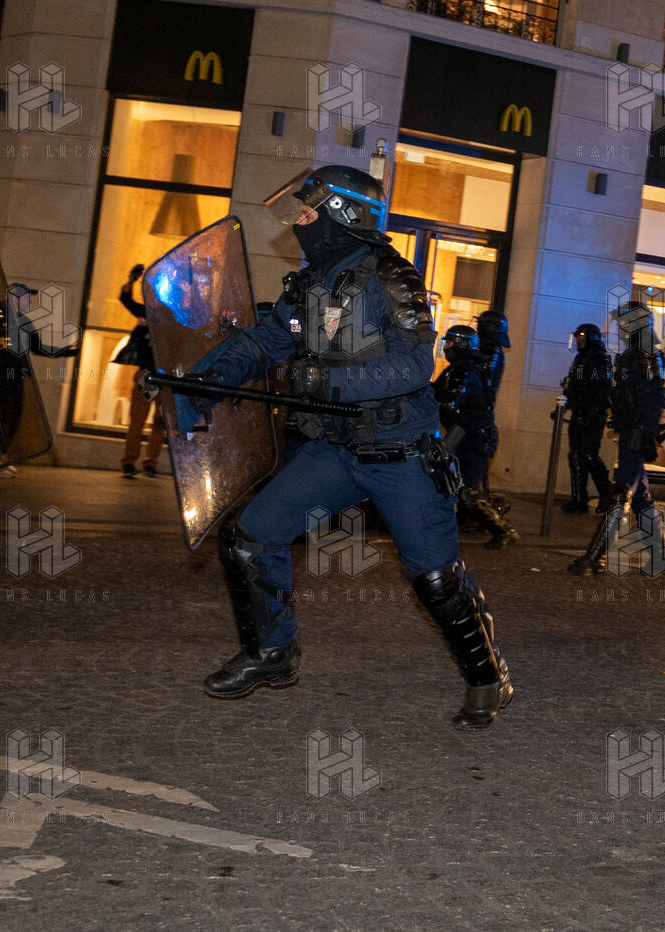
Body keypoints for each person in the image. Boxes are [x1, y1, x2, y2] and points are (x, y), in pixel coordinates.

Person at [175, 165, 511, 729]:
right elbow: (268, 342)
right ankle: (272, 653)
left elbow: (415, 365)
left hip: (401, 455)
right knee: (252, 536)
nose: (300, 222)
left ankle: (488, 677)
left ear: (342, 215)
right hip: (336, 450)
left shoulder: (390, 277)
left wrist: (328, 382)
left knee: (437, 580)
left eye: (308, 211)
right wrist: (210, 378)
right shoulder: (310, 282)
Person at [568, 302, 665, 574]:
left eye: (623, 323)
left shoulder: (647, 356)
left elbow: (654, 397)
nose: (620, 329)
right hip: (629, 428)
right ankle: (661, 553)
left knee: (621, 494)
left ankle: (594, 557)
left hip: (636, 431)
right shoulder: (633, 355)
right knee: (640, 496)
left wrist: (648, 433)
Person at [434, 324, 517, 548]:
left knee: (465, 490)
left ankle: (502, 529)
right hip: (466, 435)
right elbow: (437, 392)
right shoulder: (459, 367)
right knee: (455, 484)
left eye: (449, 342)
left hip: (474, 437)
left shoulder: (465, 371)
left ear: (460, 344)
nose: (446, 347)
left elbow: (450, 403)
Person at [116, 262, 164, 478]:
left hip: (165, 377)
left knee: (159, 423)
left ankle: (149, 463)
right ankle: (130, 461)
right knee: (139, 419)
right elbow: (125, 299)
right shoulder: (146, 313)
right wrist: (131, 281)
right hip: (148, 375)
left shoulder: (172, 317)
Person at [559, 322, 613, 513]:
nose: (578, 340)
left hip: (593, 415)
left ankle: (607, 493)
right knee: (576, 455)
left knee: (589, 455)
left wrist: (593, 411)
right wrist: (564, 404)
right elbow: (573, 384)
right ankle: (579, 499)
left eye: (581, 337)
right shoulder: (580, 359)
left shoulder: (600, 359)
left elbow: (604, 389)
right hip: (579, 412)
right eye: (577, 337)